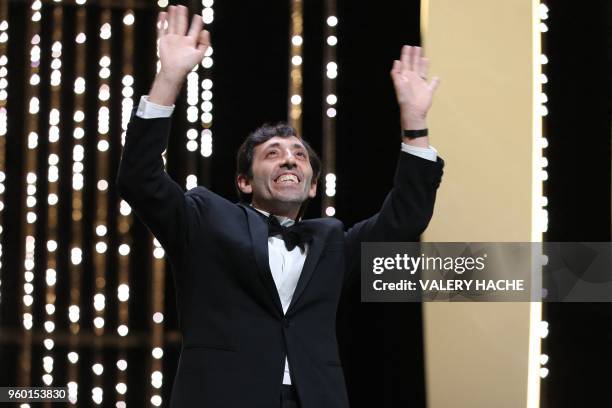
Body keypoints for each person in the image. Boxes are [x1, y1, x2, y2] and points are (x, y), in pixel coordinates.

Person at [116, 5, 444, 408]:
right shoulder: (204, 218)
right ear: (244, 182)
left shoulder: (331, 241)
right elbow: (139, 177)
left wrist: (415, 123)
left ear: (312, 188)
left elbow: (406, 217)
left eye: (300, 156)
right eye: (273, 153)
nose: (290, 159)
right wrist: (169, 77)